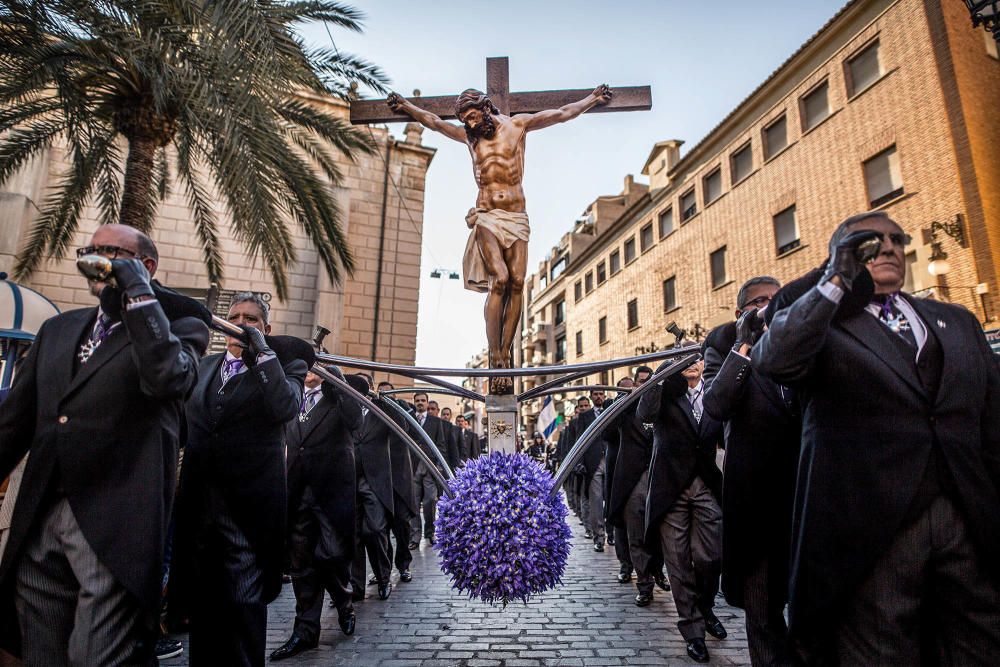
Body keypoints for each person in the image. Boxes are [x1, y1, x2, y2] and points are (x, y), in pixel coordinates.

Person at [752, 211, 1000, 664]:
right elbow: (774, 360)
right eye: (869, 243)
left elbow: (992, 420)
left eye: (895, 239)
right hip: (868, 531)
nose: (888, 248)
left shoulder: (957, 320)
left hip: (967, 519)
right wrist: (835, 282)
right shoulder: (822, 325)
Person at [0, 225, 208, 665]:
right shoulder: (59, 329)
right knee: (41, 652)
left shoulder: (179, 328)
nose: (96, 258)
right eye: (91, 250)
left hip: (114, 526)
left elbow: (169, 378)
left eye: (111, 251)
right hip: (41, 519)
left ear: (146, 266)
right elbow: (12, 424)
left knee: (95, 655)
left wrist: (138, 291)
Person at [388, 86, 612, 391]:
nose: (469, 123)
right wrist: (407, 107)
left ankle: (506, 351)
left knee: (518, 282)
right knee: (500, 280)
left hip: (517, 217)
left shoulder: (518, 125)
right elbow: (435, 123)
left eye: (472, 116)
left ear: (485, 107)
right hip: (488, 215)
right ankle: (495, 355)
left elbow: (561, 114)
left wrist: (592, 100)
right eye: (465, 119)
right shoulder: (470, 138)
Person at [174, 292, 307, 666]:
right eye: (235, 317)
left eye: (251, 319)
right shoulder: (202, 368)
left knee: (245, 613)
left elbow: (285, 408)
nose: (241, 324)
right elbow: (181, 428)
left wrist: (264, 355)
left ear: (266, 328)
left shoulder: (286, 367)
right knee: (205, 618)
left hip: (248, 515)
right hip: (199, 513)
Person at [702, 277, 800, 667]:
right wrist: (743, 347)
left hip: (807, 498)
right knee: (763, 616)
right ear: (742, 313)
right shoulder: (724, 344)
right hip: (756, 503)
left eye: (775, 301)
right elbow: (715, 405)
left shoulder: (803, 340)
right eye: (759, 303)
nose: (768, 308)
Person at [269, 365, 363, 661]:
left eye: (316, 365)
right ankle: (305, 631)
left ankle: (343, 600)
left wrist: (339, 383)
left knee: (331, 555)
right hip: (297, 492)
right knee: (301, 565)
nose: (309, 370)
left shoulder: (337, 396)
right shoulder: (292, 395)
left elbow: (355, 422)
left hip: (331, 492)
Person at [639, 359, 726, 663]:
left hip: (706, 486)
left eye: (696, 358)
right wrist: (660, 379)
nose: (691, 364)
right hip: (670, 489)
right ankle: (693, 632)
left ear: (704, 363)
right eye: (682, 361)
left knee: (710, 556)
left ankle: (705, 606)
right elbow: (644, 413)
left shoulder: (715, 390)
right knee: (677, 562)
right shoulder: (666, 394)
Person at [608, 368, 669, 603]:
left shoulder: (663, 405)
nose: (646, 386)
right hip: (633, 480)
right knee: (636, 534)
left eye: (650, 382)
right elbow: (609, 431)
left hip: (662, 478)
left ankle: (657, 569)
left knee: (664, 534)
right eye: (642, 383)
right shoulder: (626, 409)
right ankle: (644, 584)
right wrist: (624, 399)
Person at [346, 374, 396, 601]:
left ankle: (384, 578)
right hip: (348, 481)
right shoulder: (347, 408)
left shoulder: (380, 411)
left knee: (375, 531)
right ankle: (356, 586)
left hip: (374, 482)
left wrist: (383, 401)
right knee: (353, 536)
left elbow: (402, 427)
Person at [376, 382, 417, 583]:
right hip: (379, 481)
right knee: (380, 529)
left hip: (399, 481)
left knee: (402, 525)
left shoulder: (401, 411)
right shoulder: (372, 413)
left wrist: (394, 405)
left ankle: (403, 565)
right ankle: (382, 570)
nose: (383, 395)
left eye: (387, 393)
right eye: (380, 392)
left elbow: (408, 427)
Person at [408, 392, 451, 548]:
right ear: (414, 402)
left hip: (429, 467)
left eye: (423, 401)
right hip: (412, 466)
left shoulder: (435, 421)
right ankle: (415, 536)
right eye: (417, 400)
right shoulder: (409, 418)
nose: (420, 403)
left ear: (427, 403)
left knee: (430, 501)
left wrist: (439, 467)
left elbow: (441, 445)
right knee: (413, 503)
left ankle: (430, 533)